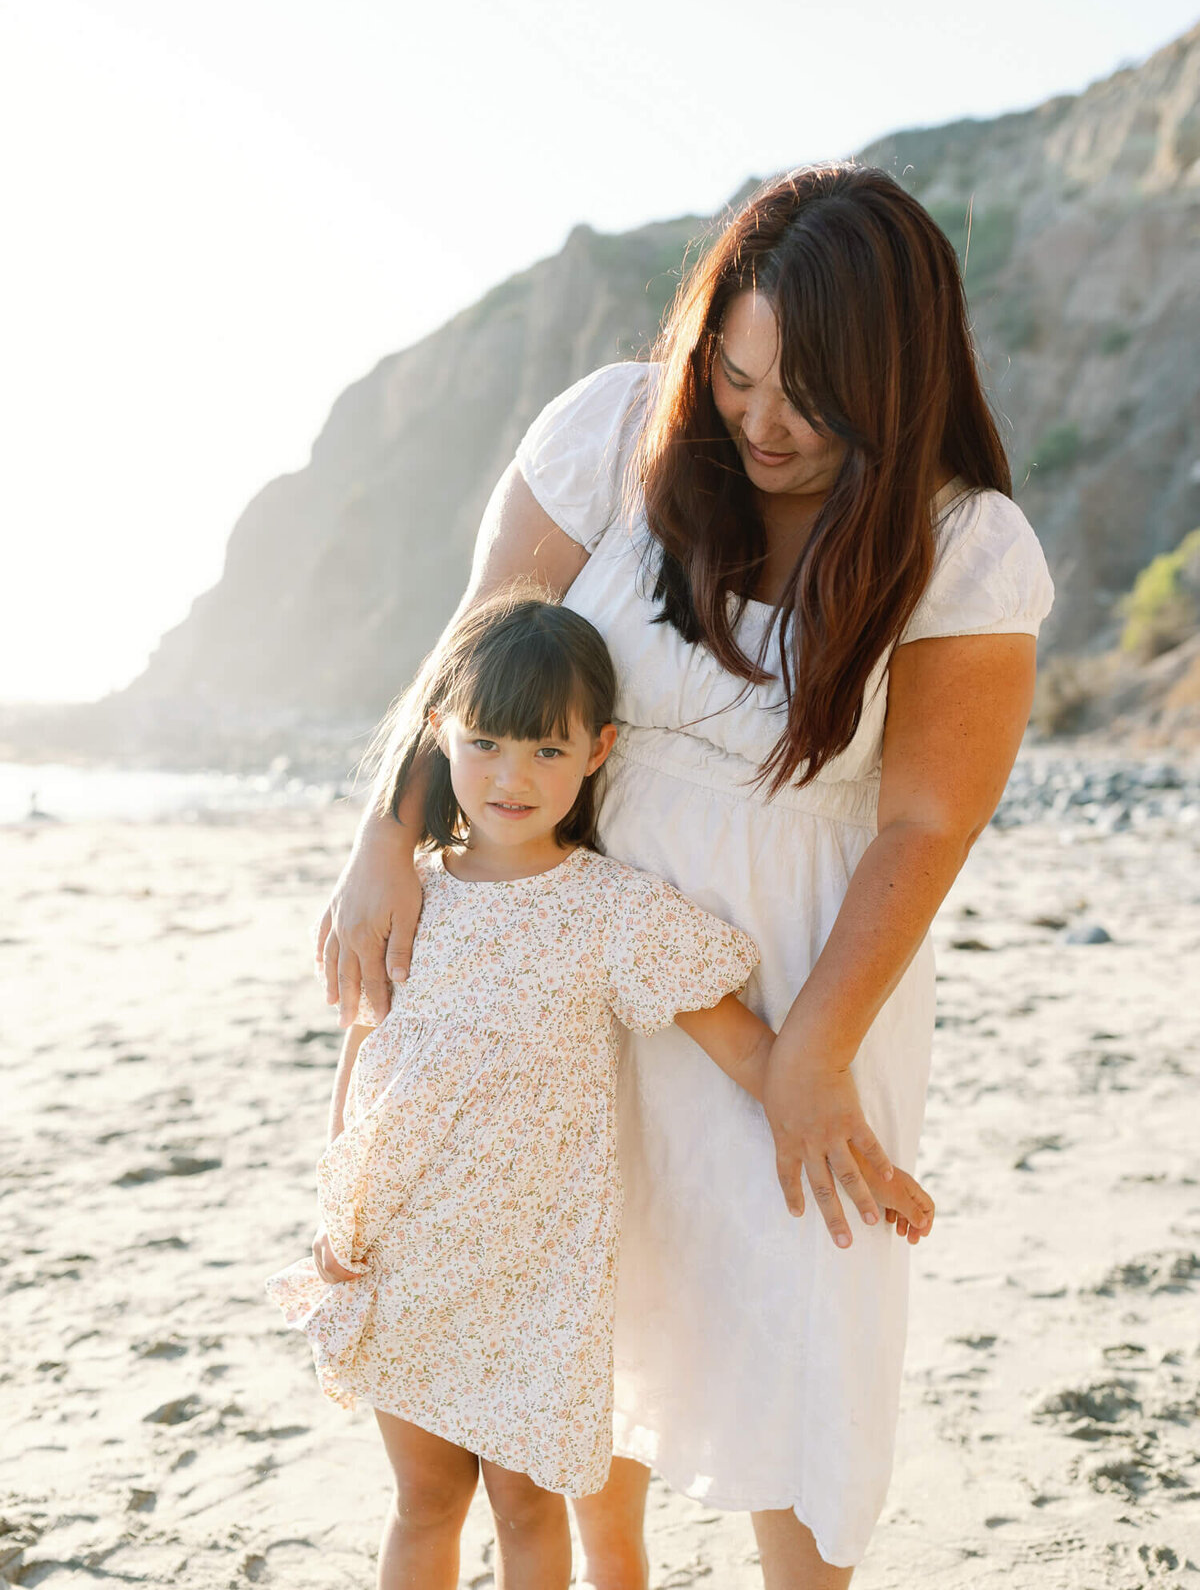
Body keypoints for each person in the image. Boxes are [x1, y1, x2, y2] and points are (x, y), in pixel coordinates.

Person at [316, 164, 1054, 1587]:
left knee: (803, 1313)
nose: (763, 425)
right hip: (562, 954)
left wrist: (815, 1053)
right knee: (591, 1286)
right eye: (737, 375)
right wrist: (381, 841)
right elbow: (480, 641)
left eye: (813, 398)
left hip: (803, 969)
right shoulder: (609, 430)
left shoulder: (965, 548)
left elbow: (924, 827)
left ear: (897, 385)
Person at [268, 591, 936, 1590]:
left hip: (540, 1282)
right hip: (402, 1258)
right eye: (487, 742)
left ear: (598, 750)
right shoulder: (410, 897)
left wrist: (854, 1148)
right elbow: (365, 1053)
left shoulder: (611, 910)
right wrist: (337, 1216)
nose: (511, 775)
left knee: (530, 1507)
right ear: (440, 731)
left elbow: (753, 1052)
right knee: (426, 1503)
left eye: (547, 749)